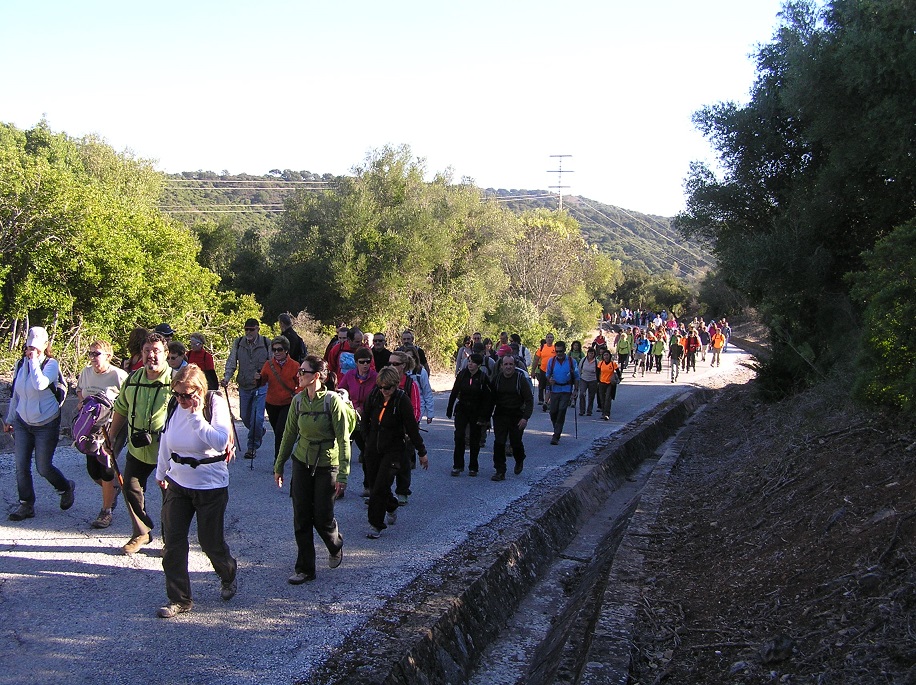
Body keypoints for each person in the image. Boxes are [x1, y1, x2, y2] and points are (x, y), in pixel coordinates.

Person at [154, 364, 236, 618]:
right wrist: (161, 472)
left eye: (187, 395)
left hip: (210, 485)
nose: (181, 400)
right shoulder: (174, 406)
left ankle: (227, 571)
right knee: (173, 542)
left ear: (199, 391)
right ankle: (179, 599)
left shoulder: (214, 404)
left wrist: (196, 415)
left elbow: (221, 441)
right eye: (177, 394)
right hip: (178, 482)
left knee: (209, 542)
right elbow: (167, 442)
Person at [274, 355, 349, 584]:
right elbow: (288, 435)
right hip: (302, 461)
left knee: (322, 517)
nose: (299, 375)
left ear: (316, 376)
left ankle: (335, 543)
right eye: (299, 372)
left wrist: (343, 474)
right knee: (301, 516)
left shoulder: (332, 402)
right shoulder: (298, 401)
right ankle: (305, 569)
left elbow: (343, 439)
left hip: (327, 463)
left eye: (303, 372)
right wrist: (279, 466)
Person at [108, 332, 173, 554]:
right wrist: (111, 436)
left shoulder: (175, 382)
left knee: (171, 497)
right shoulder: (133, 379)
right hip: (137, 447)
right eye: (147, 351)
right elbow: (121, 409)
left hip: (167, 450)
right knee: (130, 487)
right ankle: (141, 532)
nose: (151, 356)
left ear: (166, 354)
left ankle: (170, 541)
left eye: (156, 351)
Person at [4, 327, 75, 521]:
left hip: (46, 423)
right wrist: (9, 419)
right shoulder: (21, 364)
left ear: (45, 346)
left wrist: (34, 361)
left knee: (43, 467)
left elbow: (40, 384)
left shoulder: (51, 364)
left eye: (36, 347)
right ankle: (26, 504)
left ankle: (65, 487)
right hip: (22, 421)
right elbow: (16, 394)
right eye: (29, 347)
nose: (31, 350)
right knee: (21, 466)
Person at [361, 367, 428, 538]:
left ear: (396, 385)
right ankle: (391, 505)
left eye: (388, 388)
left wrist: (422, 452)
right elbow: (365, 419)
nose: (385, 391)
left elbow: (412, 428)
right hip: (373, 449)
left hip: (394, 451)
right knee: (375, 484)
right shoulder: (374, 395)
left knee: (380, 487)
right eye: (382, 387)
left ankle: (375, 524)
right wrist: (367, 440)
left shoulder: (401, 400)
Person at [76, 339, 128, 529]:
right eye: (90, 354)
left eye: (96, 354)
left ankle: (106, 512)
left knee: (106, 466)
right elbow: (79, 389)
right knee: (93, 471)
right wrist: (82, 401)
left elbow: (130, 398)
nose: (92, 358)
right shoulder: (86, 373)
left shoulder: (119, 375)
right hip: (92, 427)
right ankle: (113, 490)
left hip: (114, 427)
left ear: (108, 355)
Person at [222, 318, 271, 460]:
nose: (248, 332)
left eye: (252, 329)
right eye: (246, 329)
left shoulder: (267, 343)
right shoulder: (238, 343)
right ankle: (258, 432)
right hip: (244, 385)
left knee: (257, 417)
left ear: (258, 329)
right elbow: (232, 361)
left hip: (261, 385)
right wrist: (226, 377)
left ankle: (252, 447)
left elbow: (272, 365)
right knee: (245, 417)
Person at [339, 347, 378, 497]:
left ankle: (368, 486)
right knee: (342, 454)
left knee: (367, 453)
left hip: (366, 420)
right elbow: (341, 392)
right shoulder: (349, 375)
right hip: (350, 419)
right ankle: (339, 487)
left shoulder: (375, 377)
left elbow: (376, 397)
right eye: (362, 362)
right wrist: (350, 406)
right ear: (356, 363)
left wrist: (362, 409)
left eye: (368, 362)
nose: (365, 365)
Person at [446, 353, 492, 477]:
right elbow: (455, 391)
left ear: (478, 365)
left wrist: (485, 417)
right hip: (462, 409)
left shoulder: (483, 377)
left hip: (476, 411)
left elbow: (488, 399)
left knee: (474, 439)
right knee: (459, 436)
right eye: (469, 361)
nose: (470, 364)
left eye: (472, 362)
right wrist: (449, 408)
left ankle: (473, 467)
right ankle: (458, 466)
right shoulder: (462, 375)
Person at [489, 355, 533, 481]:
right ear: (501, 366)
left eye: (511, 364)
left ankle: (520, 458)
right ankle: (500, 471)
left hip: (516, 415)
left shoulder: (520, 379)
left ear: (515, 366)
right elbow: (490, 400)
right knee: (499, 443)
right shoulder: (497, 379)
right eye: (506, 364)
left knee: (515, 442)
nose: (508, 367)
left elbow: (529, 400)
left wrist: (525, 418)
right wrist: (486, 417)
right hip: (500, 414)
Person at [388, 350, 422, 505]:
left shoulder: (410, 384)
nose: (392, 366)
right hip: (387, 429)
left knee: (403, 463)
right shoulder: (385, 382)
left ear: (404, 365)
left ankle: (402, 491)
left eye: (395, 364)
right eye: (390, 363)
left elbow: (416, 409)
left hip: (404, 432)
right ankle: (383, 492)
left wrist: (409, 429)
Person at [260, 336, 300, 461]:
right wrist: (258, 379)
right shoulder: (268, 364)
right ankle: (286, 446)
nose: (276, 352)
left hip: (288, 403)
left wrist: (296, 394)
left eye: (280, 349)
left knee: (279, 432)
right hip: (271, 403)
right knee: (278, 431)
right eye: (274, 350)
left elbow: (300, 384)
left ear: (286, 350)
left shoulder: (295, 365)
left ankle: (278, 460)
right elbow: (262, 382)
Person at [546, 341, 579, 444]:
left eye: (560, 351)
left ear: (565, 350)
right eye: (557, 351)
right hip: (555, 390)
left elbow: (577, 377)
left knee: (561, 410)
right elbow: (547, 374)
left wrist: (576, 390)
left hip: (566, 389)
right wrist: (549, 380)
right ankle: (557, 428)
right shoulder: (551, 361)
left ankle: (556, 435)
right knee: (553, 412)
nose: (559, 353)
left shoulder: (571, 361)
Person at [532, 333, 556, 410]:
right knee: (541, 386)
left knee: (549, 387)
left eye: (551, 337)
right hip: (542, 370)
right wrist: (533, 370)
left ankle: (547, 402)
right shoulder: (541, 348)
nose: (549, 339)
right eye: (548, 337)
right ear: (546, 339)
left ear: (553, 339)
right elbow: (536, 359)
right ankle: (541, 400)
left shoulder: (555, 348)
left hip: (552, 371)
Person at [596, 350, 620, 421]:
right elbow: (597, 373)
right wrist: (597, 381)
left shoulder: (613, 364)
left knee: (607, 399)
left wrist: (618, 380)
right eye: (604, 355)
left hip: (610, 383)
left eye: (607, 355)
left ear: (610, 356)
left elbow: (618, 372)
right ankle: (603, 413)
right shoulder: (600, 363)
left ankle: (607, 414)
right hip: (602, 382)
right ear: (603, 357)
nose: (606, 356)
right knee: (602, 399)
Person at [578, 347, 599, 417]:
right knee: (582, 394)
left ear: (594, 354)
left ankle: (589, 411)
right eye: (589, 353)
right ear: (587, 353)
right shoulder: (583, 360)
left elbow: (599, 372)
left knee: (591, 396)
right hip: (583, 379)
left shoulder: (597, 361)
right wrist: (579, 377)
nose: (590, 355)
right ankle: (582, 410)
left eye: (592, 353)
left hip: (593, 380)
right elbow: (579, 369)